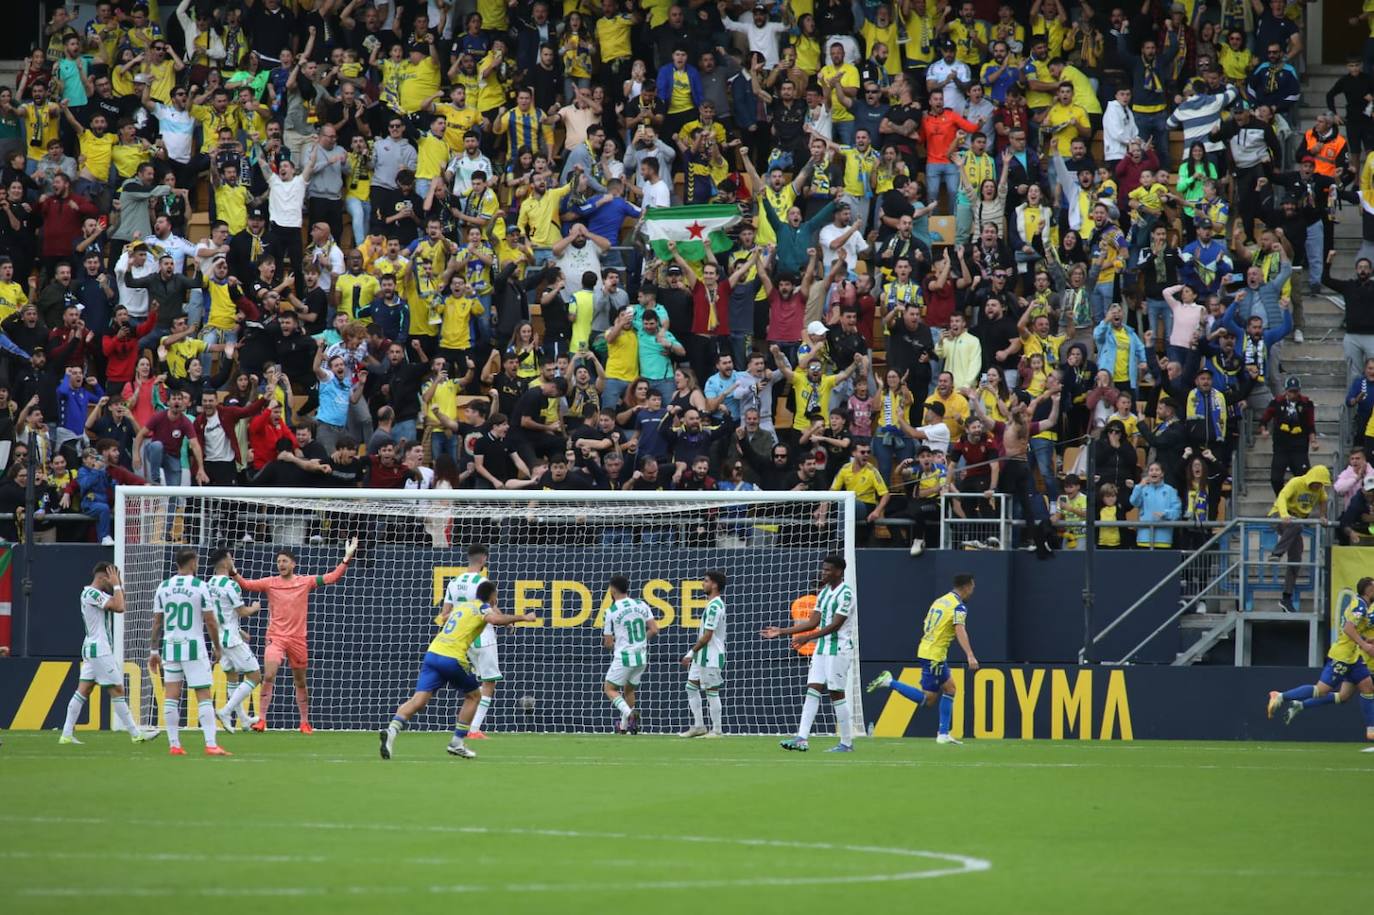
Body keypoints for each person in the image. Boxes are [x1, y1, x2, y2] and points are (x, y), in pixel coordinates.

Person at [379, 580, 536, 760]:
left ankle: (391, 731)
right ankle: (457, 742)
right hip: (451, 657)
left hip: (433, 653)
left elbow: (444, 617)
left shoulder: (464, 606)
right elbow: (495, 620)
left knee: (419, 701)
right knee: (475, 696)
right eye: (496, 595)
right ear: (492, 597)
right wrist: (523, 617)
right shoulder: (482, 607)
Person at [231, 537, 358, 733]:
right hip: (276, 638)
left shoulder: (305, 582)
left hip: (298, 640)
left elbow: (332, 578)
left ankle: (304, 722)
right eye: (279, 561)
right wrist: (234, 571)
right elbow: (246, 585)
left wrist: (346, 558)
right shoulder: (269, 583)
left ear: (293, 564)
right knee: (270, 674)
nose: (281, 564)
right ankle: (262, 720)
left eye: (284, 561)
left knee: (300, 681)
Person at [866, 572, 978, 745]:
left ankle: (943, 734)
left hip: (929, 650)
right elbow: (959, 629)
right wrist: (970, 654)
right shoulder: (958, 606)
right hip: (934, 656)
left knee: (950, 689)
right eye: (973, 587)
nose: (973, 591)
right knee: (929, 699)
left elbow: (927, 623)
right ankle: (890, 682)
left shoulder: (941, 600)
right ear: (967, 586)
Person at [764, 553, 856, 753]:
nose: (823, 572)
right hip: (822, 648)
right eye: (823, 569)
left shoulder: (846, 594)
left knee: (835, 693)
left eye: (828, 569)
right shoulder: (823, 593)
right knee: (812, 690)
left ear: (839, 572)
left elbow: (835, 625)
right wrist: (782, 631)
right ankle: (802, 738)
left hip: (838, 648)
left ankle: (847, 743)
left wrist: (807, 637)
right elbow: (813, 622)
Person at [58, 561, 157, 745]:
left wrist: (117, 583)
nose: (113, 582)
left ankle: (66, 734)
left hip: (93, 648)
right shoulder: (91, 593)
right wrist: (117, 585)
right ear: (103, 577)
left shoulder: (96, 593)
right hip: (99, 649)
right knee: (117, 689)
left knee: (84, 690)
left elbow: (121, 603)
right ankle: (136, 734)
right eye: (110, 578)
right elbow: (119, 608)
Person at [1268, 578, 1374, 740]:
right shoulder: (1360, 606)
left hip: (1353, 657)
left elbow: (1353, 630)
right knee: (1320, 690)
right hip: (1343, 656)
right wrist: (1364, 645)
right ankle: (1281, 695)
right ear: (1368, 591)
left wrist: (1366, 641)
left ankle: (1371, 730)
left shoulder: (1362, 606)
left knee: (1364, 689)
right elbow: (1348, 628)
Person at [148, 548, 230, 756]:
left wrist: (153, 650)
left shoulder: (163, 587)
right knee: (203, 694)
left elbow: (157, 622)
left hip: (170, 647)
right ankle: (211, 744)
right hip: (193, 647)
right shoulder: (200, 586)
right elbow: (210, 621)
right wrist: (217, 647)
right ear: (193, 562)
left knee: (171, 696)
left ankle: (174, 745)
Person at [442, 545, 498, 739]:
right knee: (489, 682)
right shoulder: (482, 582)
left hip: (465, 640)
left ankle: (468, 726)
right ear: (483, 559)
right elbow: (490, 609)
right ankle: (473, 729)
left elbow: (444, 614)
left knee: (477, 684)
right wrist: (510, 622)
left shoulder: (454, 582)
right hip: (483, 636)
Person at [206, 548, 263, 733]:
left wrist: (239, 631)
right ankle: (225, 711)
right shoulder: (231, 586)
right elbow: (242, 612)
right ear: (224, 562)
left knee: (232, 677)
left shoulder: (209, 584)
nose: (232, 561)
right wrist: (254, 608)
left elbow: (219, 614)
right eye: (230, 558)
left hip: (221, 638)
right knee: (255, 675)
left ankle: (244, 720)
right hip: (231, 639)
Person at [1267, 466, 1331, 614]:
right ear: (1311, 479)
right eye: (1316, 483)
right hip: (1279, 515)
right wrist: (1284, 514)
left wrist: (1323, 516)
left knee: (1296, 558)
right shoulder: (1296, 482)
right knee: (1297, 526)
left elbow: (1324, 500)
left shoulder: (1320, 490)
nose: (1318, 486)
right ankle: (1276, 553)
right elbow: (1282, 496)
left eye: (1321, 484)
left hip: (1297, 521)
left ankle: (1286, 598)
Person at [602, 574, 659, 735]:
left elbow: (608, 643)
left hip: (624, 656)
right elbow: (654, 629)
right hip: (641, 656)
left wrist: (617, 643)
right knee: (629, 690)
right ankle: (625, 727)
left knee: (610, 689)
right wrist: (639, 642)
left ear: (612, 589)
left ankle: (629, 714)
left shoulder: (611, 611)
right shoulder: (641, 604)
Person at [679, 569, 727, 738]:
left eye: (706, 581)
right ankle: (699, 726)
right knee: (691, 687)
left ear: (714, 584)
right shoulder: (711, 604)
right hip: (703, 655)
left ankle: (717, 729)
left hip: (711, 655)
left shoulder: (714, 606)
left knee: (711, 691)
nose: (703, 583)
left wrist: (690, 653)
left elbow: (707, 636)